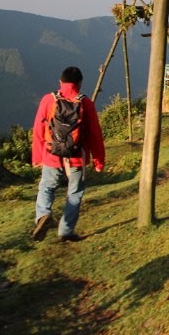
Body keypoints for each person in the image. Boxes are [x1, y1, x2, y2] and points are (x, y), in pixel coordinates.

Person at [31, 66, 105, 242]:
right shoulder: (85, 103)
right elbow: (95, 134)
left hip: (52, 155)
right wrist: (98, 161)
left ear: (60, 82)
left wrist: (37, 157)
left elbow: (38, 130)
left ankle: (43, 215)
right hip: (77, 158)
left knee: (47, 187)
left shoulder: (48, 100)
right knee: (74, 193)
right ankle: (65, 232)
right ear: (79, 83)